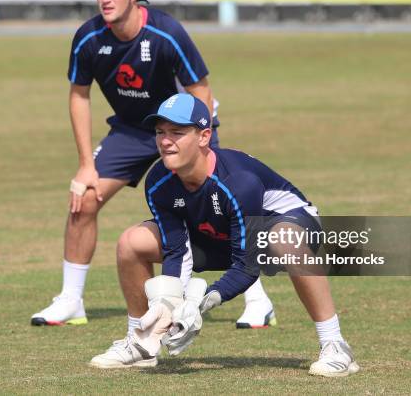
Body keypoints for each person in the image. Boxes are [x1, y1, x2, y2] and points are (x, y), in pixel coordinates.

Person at [31, 0, 275, 329]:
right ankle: (70, 300)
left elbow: (200, 88)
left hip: (182, 131)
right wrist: (85, 164)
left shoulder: (166, 33)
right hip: (130, 131)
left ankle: (257, 300)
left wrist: (201, 142)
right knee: (84, 199)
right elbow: (79, 95)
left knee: (216, 212)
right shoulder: (88, 38)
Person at [90, 94, 360, 377]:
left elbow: (247, 265)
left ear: (204, 136)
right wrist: (168, 305)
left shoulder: (237, 181)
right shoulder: (159, 181)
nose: (165, 141)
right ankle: (141, 342)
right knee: (132, 242)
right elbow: (176, 250)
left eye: (178, 133)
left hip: (286, 229)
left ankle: (335, 344)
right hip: (219, 235)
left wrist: (201, 302)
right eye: (160, 132)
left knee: (284, 240)